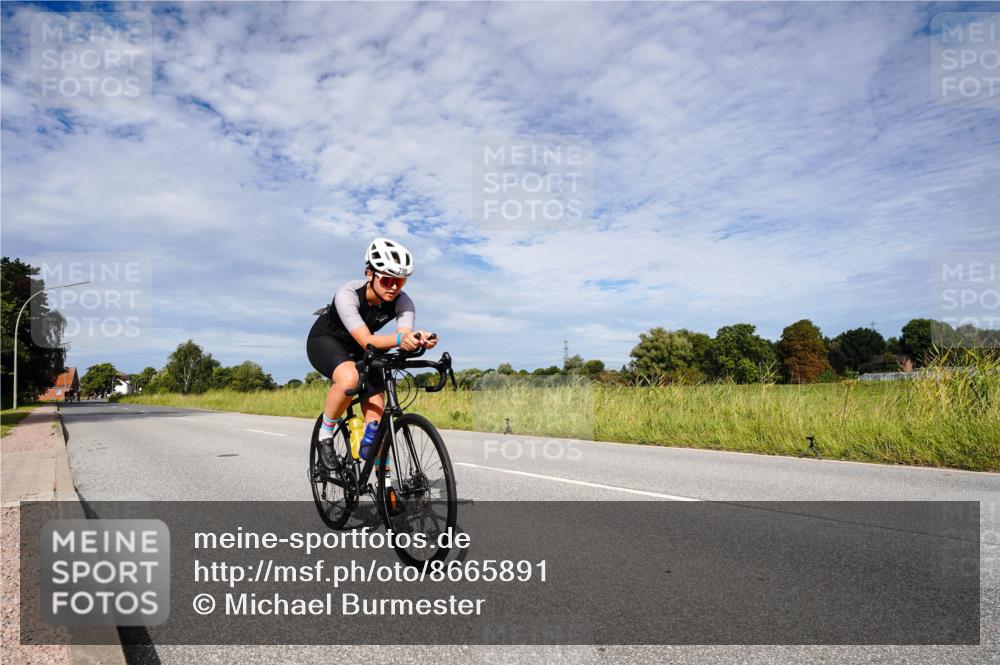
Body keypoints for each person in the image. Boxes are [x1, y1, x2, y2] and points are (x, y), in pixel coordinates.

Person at [306, 238, 438, 472]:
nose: (394, 287)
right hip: (326, 341)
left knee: (377, 414)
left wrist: (417, 339)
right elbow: (368, 340)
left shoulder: (403, 301)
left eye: (400, 281)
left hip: (362, 348)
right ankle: (324, 435)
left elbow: (403, 335)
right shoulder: (347, 294)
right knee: (349, 379)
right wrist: (400, 340)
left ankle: (381, 477)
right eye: (387, 280)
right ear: (369, 273)